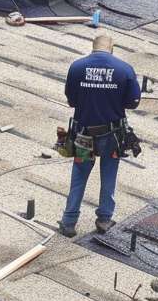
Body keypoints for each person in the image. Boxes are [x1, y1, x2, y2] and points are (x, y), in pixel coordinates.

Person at [59, 33, 140, 237]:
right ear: (111, 48)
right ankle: (104, 219)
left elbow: (71, 100)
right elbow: (133, 102)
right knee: (109, 174)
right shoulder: (124, 69)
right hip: (111, 136)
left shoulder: (77, 67)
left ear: (93, 47)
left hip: (84, 135)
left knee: (79, 175)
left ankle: (69, 222)